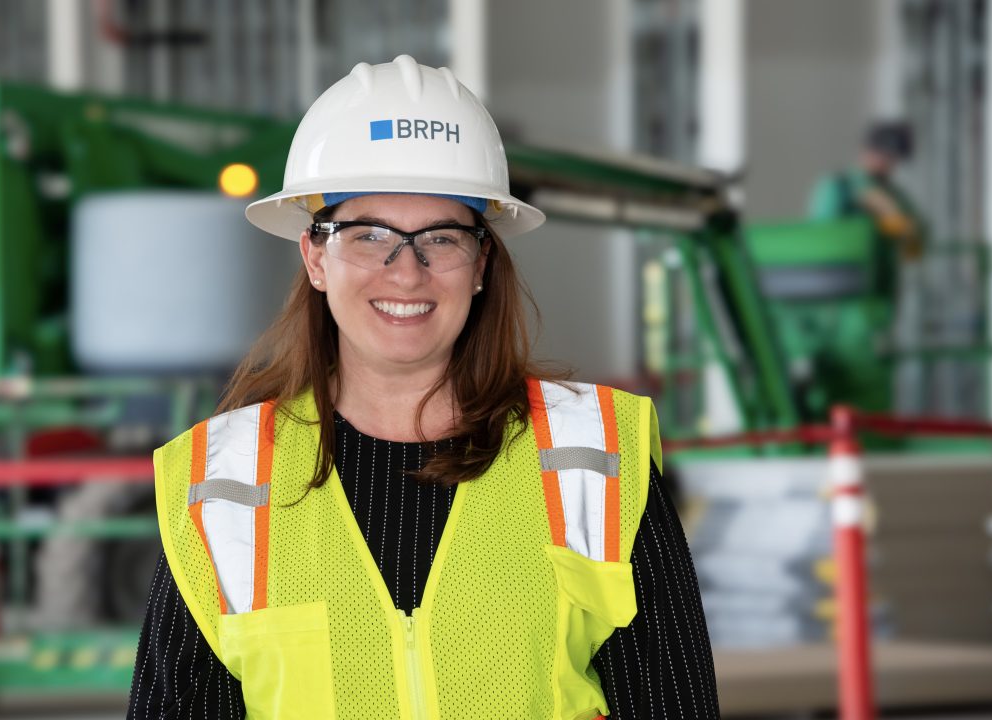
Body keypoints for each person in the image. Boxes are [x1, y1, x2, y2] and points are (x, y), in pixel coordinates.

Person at [127, 55, 718, 719]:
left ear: (481, 263)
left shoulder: (592, 460)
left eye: (440, 237)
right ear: (316, 257)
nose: (406, 272)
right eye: (369, 234)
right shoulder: (227, 485)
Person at [807, 120, 926, 298]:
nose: (888, 164)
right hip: (840, 285)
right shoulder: (837, 187)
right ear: (867, 150)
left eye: (892, 159)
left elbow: (916, 241)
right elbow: (822, 238)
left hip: (880, 288)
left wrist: (894, 217)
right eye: (884, 156)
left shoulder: (893, 194)